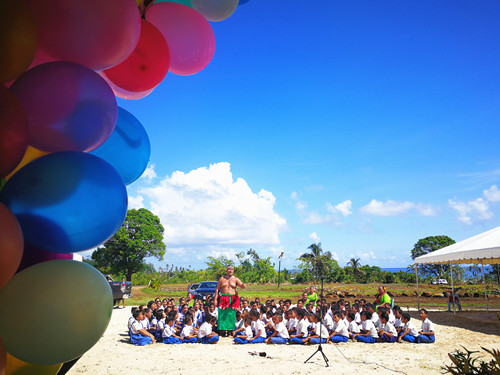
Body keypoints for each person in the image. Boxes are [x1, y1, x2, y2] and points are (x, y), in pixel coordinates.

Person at [214, 265, 246, 337]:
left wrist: (243, 285)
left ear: (233, 271)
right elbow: (217, 290)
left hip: (232, 299)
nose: (230, 271)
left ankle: (230, 331)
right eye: (229, 269)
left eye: (232, 269)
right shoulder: (222, 279)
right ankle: (222, 331)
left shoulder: (236, 279)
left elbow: (242, 286)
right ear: (226, 270)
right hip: (223, 298)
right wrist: (215, 299)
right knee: (222, 315)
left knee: (231, 315)